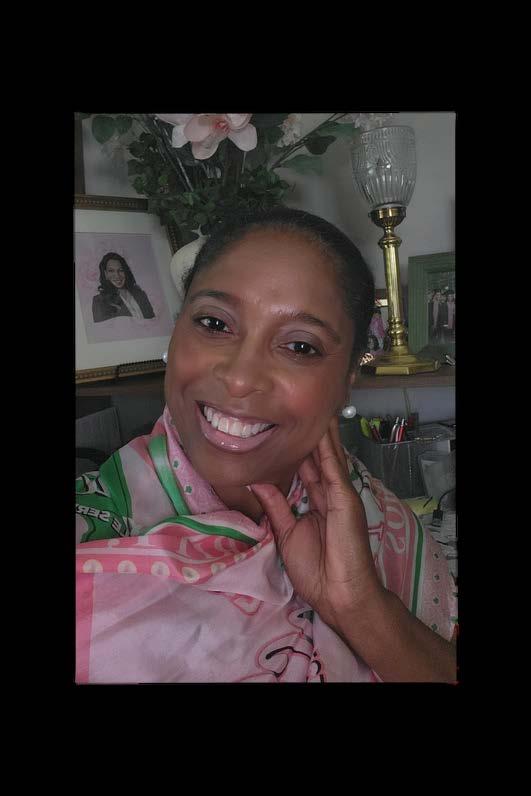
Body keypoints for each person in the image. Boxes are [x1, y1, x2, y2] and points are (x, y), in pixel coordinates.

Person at [76, 208, 457, 683]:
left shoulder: (380, 521)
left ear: (345, 383)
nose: (239, 378)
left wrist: (359, 604)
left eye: (300, 347)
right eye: (214, 323)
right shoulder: (94, 536)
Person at [92, 252, 155, 323]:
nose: (117, 275)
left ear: (125, 272)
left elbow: (153, 321)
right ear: (106, 274)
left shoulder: (141, 295)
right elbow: (102, 328)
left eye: (121, 270)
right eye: (111, 271)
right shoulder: (99, 301)